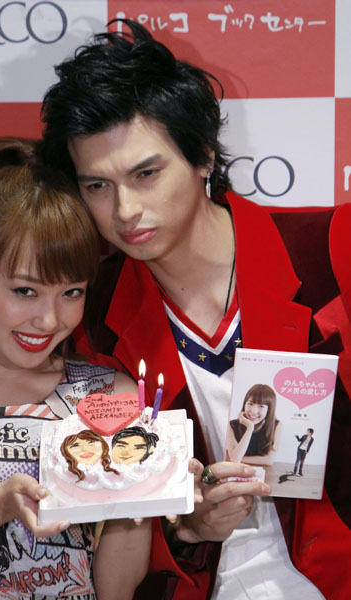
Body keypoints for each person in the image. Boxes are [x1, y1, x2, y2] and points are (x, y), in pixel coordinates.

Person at [41, 19, 351, 600]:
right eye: (97, 186)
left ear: (203, 155)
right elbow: (106, 512)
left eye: (146, 173)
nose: (124, 210)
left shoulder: (330, 251)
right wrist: (189, 529)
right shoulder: (89, 317)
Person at [0, 136, 151, 600]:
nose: (48, 320)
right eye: (25, 291)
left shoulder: (110, 399)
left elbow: (115, 589)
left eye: (71, 292)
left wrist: (144, 494)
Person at [226, 384, 283, 465]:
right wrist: (250, 428)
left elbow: (269, 460)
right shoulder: (232, 425)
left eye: (261, 406)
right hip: (236, 470)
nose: (253, 411)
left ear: (269, 409)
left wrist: (234, 457)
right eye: (250, 404)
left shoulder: (277, 425)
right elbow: (235, 459)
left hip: (264, 471)